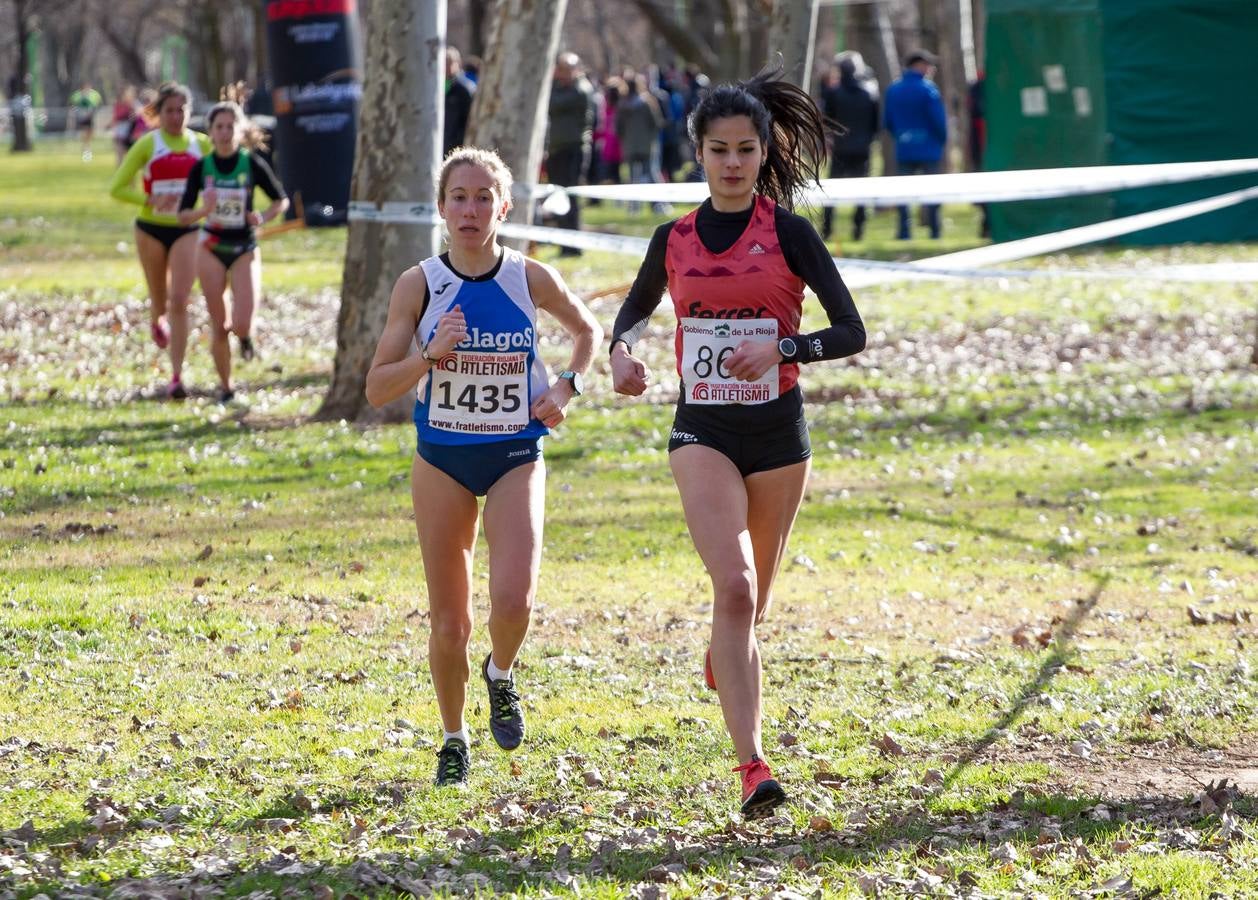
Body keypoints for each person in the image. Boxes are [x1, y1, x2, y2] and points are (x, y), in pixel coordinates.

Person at [609, 68, 866, 819]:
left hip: (780, 437)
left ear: (763, 153)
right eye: (718, 149)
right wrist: (622, 355)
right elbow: (630, 316)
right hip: (704, 430)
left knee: (753, 610)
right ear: (697, 152)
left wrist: (785, 352)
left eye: (746, 150)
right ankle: (753, 768)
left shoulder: (788, 233)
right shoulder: (674, 239)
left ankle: (729, 653)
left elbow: (851, 330)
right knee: (737, 587)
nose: (731, 162)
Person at [365, 147, 602, 787]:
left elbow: (588, 332)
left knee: (514, 599)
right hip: (441, 459)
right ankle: (452, 738)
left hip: (515, 453)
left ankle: (501, 673)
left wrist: (566, 389)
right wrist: (429, 355)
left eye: (482, 197)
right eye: (458, 197)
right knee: (450, 620)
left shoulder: (529, 278)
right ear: (441, 208)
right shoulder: (418, 284)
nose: (470, 209)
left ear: (505, 206)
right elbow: (377, 388)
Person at [176, 99, 289, 403]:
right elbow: (182, 215)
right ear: (210, 132)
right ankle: (226, 388)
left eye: (230, 127)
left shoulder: (251, 163)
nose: (225, 133)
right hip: (211, 245)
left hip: (244, 247)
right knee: (219, 324)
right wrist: (205, 210)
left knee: (240, 323)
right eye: (219, 127)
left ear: (239, 131)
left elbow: (281, 200)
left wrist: (262, 218)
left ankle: (247, 337)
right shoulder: (201, 168)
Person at [109, 82, 212, 399]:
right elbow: (117, 188)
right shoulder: (147, 144)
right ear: (159, 113)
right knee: (159, 297)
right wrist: (151, 200)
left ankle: (177, 376)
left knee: (179, 300)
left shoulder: (202, 145)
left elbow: (222, 176)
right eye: (169, 110)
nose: (175, 116)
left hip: (187, 230)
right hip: (150, 229)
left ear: (189, 112)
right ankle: (157, 320)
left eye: (181, 109)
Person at [884, 49, 947, 240]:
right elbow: (938, 120)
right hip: (929, 148)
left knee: (904, 192)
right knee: (933, 191)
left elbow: (888, 121)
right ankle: (935, 229)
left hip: (904, 147)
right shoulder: (929, 90)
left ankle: (904, 231)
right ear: (919, 66)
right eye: (928, 65)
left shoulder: (894, 90)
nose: (931, 69)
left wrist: (902, 135)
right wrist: (941, 140)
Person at [819, 51, 879, 243]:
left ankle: (827, 227)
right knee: (861, 191)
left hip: (840, 148)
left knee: (831, 190)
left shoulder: (833, 93)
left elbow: (826, 120)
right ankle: (858, 228)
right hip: (863, 148)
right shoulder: (869, 94)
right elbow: (875, 124)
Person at [546, 52, 596, 255]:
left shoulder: (581, 90)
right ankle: (563, 242)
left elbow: (552, 103)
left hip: (573, 148)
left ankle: (573, 244)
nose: (562, 74)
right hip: (557, 149)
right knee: (558, 195)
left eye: (567, 70)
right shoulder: (559, 88)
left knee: (571, 197)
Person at [443, 46, 476, 156]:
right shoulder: (434, 87)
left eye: (449, 63)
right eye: (443, 63)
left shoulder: (465, 89)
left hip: (456, 148)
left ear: (458, 63)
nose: (446, 67)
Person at [69, 81, 103, 160]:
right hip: (82, 117)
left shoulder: (94, 94)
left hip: (90, 117)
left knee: (90, 133)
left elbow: (98, 104)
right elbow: (72, 105)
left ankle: (87, 145)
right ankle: (86, 147)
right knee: (84, 132)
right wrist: (77, 112)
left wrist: (93, 112)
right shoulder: (77, 95)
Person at [110, 85, 138, 165]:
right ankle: (119, 175)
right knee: (119, 155)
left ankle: (130, 175)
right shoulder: (118, 105)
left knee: (130, 156)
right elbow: (115, 117)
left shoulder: (133, 105)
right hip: (120, 132)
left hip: (130, 133)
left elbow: (137, 118)